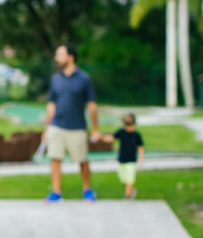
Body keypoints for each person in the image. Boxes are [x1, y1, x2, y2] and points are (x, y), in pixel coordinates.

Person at [42, 44, 100, 202]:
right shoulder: (55, 79)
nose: (56, 58)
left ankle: (87, 189)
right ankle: (56, 192)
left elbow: (92, 106)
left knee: (82, 160)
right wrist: (46, 129)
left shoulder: (84, 79)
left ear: (71, 57)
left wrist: (95, 129)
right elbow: (51, 105)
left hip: (77, 127)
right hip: (56, 126)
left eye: (60, 54)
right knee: (55, 158)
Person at [99, 112, 145, 199]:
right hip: (121, 160)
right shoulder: (121, 132)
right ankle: (131, 189)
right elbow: (111, 138)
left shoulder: (136, 135)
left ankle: (127, 196)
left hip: (131, 161)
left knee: (129, 179)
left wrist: (141, 158)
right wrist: (101, 137)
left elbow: (140, 147)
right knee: (123, 179)